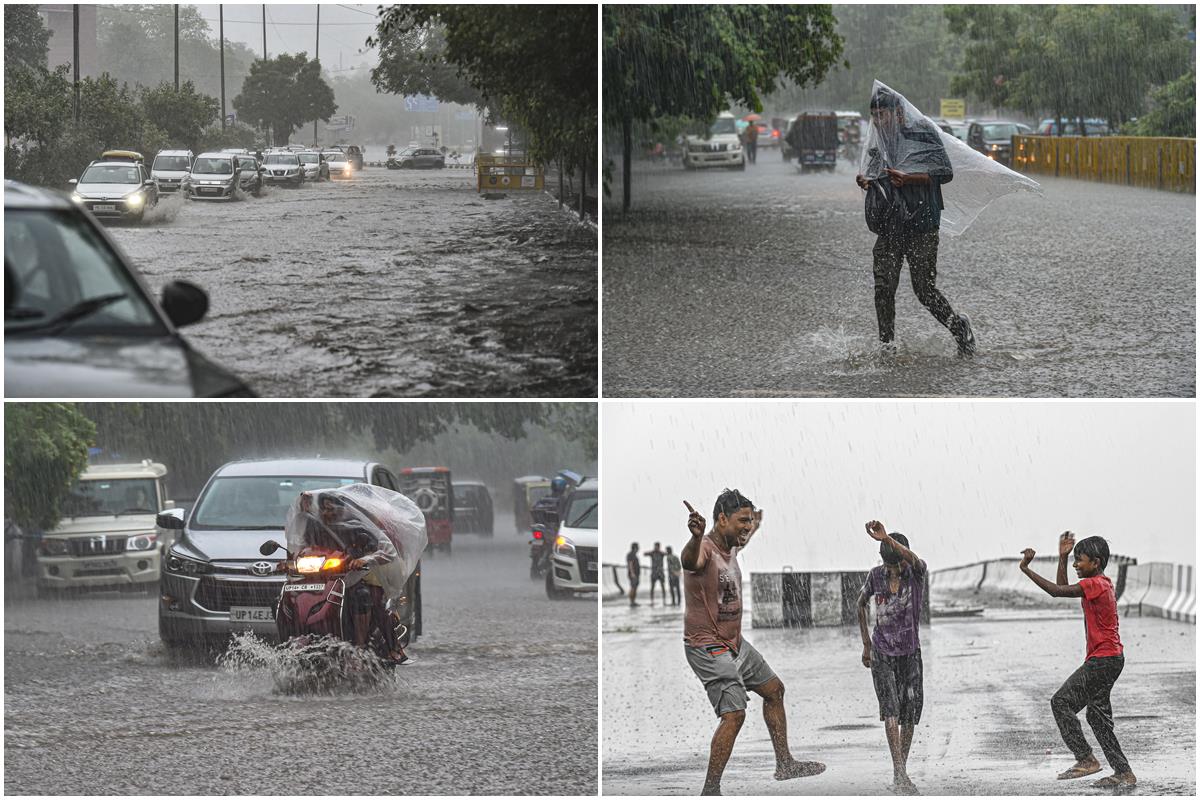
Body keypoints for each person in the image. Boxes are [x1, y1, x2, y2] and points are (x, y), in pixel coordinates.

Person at [682, 489, 824, 795]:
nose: (746, 527)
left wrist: (753, 526)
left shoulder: (730, 546)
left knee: (774, 691)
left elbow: (743, 538)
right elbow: (690, 561)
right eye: (741, 521)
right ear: (721, 519)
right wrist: (694, 537)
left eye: (749, 520)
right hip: (707, 646)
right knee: (734, 715)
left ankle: (784, 764)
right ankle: (710, 789)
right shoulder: (705, 548)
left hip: (735, 643)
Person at [856, 85, 975, 357]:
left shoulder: (922, 133)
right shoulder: (880, 142)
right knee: (883, 287)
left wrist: (909, 178)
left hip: (922, 223)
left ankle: (959, 328)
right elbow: (876, 173)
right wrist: (866, 181)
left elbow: (945, 173)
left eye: (882, 115)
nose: (878, 121)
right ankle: (887, 347)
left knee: (924, 289)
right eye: (873, 116)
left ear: (898, 114)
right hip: (890, 224)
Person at [1019, 532, 1135, 788]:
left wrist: (1026, 569)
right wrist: (1061, 557)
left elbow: (1056, 591)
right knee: (1097, 718)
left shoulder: (1096, 584)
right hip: (1111, 658)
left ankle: (1086, 758)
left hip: (1103, 660)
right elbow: (1063, 588)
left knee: (1061, 702)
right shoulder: (1100, 582)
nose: (1074, 565)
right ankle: (1123, 772)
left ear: (1095, 562)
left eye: (1078, 561)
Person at [856, 521, 926, 795]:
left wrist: (889, 540)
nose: (892, 571)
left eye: (895, 565)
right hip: (882, 651)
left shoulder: (916, 573)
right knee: (891, 710)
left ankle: (901, 770)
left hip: (910, 652)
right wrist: (865, 645)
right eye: (888, 565)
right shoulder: (876, 576)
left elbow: (915, 559)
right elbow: (860, 604)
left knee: (909, 713)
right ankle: (899, 772)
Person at [302, 492, 411, 665]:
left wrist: (363, 559)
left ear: (341, 509)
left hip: (358, 577)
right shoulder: (315, 527)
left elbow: (380, 550)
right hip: (323, 579)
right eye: (323, 509)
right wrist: (288, 563)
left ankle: (370, 647)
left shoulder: (356, 527)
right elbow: (304, 549)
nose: (327, 513)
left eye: (331, 508)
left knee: (366, 597)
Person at [626, 542, 641, 607]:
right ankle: (631, 602)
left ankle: (633, 601)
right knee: (633, 587)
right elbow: (630, 564)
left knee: (635, 587)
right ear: (635, 548)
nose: (639, 549)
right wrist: (632, 573)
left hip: (636, 574)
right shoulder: (631, 554)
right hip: (633, 574)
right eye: (638, 547)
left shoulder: (634, 555)